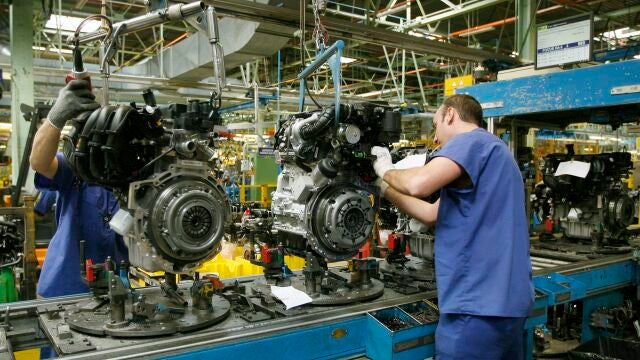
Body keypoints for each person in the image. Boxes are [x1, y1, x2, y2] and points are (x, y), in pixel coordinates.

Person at [372, 94, 533, 359]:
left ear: (449, 115)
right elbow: (431, 213)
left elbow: (418, 185)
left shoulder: (472, 141)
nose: (435, 139)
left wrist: (384, 169)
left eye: (435, 125)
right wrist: (384, 189)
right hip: (507, 304)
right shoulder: (496, 153)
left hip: (476, 306)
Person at [30, 80, 128, 298]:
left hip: (116, 289)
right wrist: (57, 116)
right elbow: (39, 162)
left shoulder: (130, 176)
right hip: (64, 288)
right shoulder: (74, 167)